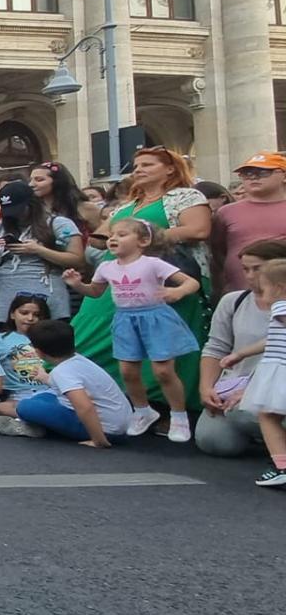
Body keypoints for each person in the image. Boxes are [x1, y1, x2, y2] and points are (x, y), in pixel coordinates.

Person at [71, 146, 211, 434]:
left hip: (161, 275)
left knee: (162, 352)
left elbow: (198, 230)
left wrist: (144, 237)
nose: (139, 169)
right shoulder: (127, 205)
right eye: (136, 165)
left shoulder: (186, 196)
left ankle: (172, 411)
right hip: (115, 276)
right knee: (93, 330)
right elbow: (100, 237)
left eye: (147, 164)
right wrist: (101, 227)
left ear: (170, 168)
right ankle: (108, 397)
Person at [65, 218, 202, 443]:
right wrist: (77, 284)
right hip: (125, 320)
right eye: (111, 235)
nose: (113, 239)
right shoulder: (106, 267)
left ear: (143, 241)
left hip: (155, 317)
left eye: (122, 234)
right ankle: (143, 410)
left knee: (163, 372)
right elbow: (95, 292)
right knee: (128, 371)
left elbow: (191, 282)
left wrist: (177, 292)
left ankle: (179, 416)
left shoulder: (152, 263)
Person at [197, 239, 286, 458]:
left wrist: (248, 392)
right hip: (235, 383)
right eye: (245, 269)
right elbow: (215, 347)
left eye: (257, 268)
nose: (249, 275)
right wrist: (207, 387)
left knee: (246, 412)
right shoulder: (233, 301)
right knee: (214, 441)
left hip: (275, 385)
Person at [0, 319, 134, 446]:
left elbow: (85, 407)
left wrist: (98, 441)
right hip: (122, 424)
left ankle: (32, 425)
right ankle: (36, 424)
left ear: (38, 352)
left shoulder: (62, 372)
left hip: (107, 431)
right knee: (43, 396)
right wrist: (45, 378)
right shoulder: (78, 360)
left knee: (26, 406)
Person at [0, 180, 83, 326]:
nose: (16, 216)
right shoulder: (0, 227)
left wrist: (38, 250)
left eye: (19, 210)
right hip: (7, 296)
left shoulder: (58, 223)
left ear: (32, 204)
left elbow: (77, 259)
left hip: (46, 291)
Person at [224, 259, 286, 486]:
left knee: (268, 416)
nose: (260, 293)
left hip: (280, 372)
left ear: (279, 288)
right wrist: (241, 354)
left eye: (265, 287)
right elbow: (270, 340)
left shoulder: (281, 306)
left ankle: (282, 466)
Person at [211, 153, 286, 294]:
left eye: (263, 172)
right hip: (240, 292)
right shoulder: (226, 212)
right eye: (246, 173)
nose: (253, 177)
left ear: (283, 175)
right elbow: (217, 253)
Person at [0, 294, 58, 438]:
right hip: (19, 394)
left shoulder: (53, 338)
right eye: (24, 313)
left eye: (36, 315)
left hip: (52, 391)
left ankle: (31, 423)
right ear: (13, 314)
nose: (30, 318)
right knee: (0, 407)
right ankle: (39, 424)